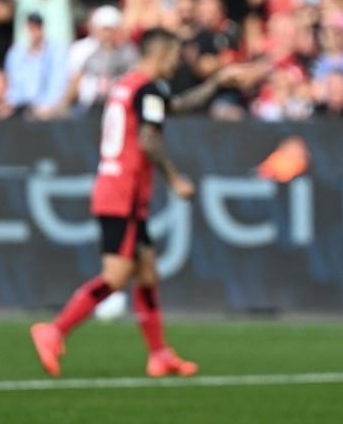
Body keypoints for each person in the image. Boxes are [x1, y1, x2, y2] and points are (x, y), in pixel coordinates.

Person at [29, 29, 230, 378]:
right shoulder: (147, 89)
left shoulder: (131, 86)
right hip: (122, 193)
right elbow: (149, 140)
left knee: (147, 273)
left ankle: (159, 354)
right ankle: (54, 330)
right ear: (161, 54)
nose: (176, 63)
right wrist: (175, 178)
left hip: (121, 191)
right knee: (117, 276)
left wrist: (218, 83)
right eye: (174, 56)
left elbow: (176, 107)